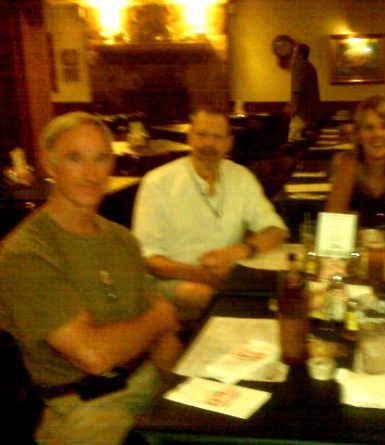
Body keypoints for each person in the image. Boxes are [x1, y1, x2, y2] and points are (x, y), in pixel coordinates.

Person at [0, 112, 182, 445]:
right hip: (85, 407)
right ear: (50, 165)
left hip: (150, 382)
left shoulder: (122, 239)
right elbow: (93, 355)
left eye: (101, 158)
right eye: (75, 158)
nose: (91, 174)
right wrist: (160, 317)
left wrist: (183, 388)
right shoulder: (26, 252)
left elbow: (163, 337)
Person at [132, 104, 287, 318]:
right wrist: (205, 276)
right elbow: (147, 259)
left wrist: (238, 251)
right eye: (201, 135)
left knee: (281, 289)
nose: (208, 144)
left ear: (229, 143)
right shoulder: (158, 183)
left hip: (227, 276)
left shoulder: (241, 178)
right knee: (207, 296)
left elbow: (276, 230)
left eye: (217, 137)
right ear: (189, 137)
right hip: (169, 280)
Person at [325, 96, 385, 233]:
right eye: (368, 128)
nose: (377, 134)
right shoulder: (348, 164)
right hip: (357, 246)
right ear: (358, 135)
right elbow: (333, 224)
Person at [287, 43, 320, 139]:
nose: (293, 56)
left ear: (300, 55)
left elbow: (297, 90)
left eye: (294, 53)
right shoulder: (310, 67)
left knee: (294, 141)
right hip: (310, 113)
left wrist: (292, 107)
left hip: (301, 114)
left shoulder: (300, 66)